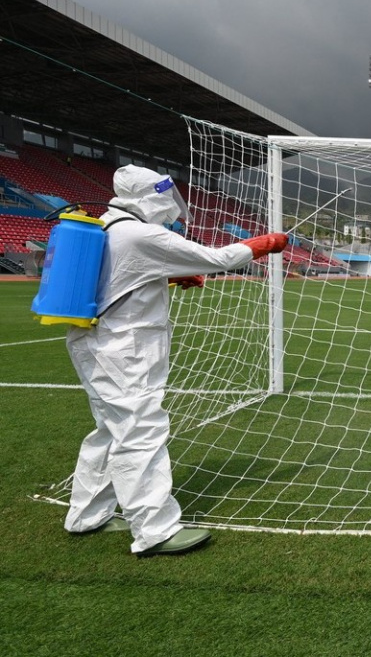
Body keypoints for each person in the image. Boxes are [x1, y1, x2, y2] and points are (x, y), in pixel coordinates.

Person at [63, 165, 288, 556]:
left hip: (98, 341)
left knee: (110, 429)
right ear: (151, 196)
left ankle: (87, 514)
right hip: (124, 348)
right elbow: (218, 258)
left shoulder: (109, 225)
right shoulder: (139, 232)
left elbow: (117, 277)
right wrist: (264, 244)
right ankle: (155, 530)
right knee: (140, 431)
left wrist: (167, 277)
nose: (169, 206)